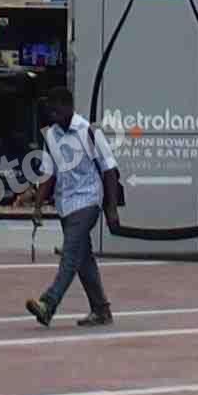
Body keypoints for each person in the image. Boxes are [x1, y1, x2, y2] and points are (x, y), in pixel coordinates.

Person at [23, 98, 119, 329]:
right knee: (83, 260)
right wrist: (37, 206)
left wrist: (112, 209)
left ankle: (48, 304)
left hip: (88, 201)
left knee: (69, 254)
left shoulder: (88, 131)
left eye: (57, 110)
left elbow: (109, 170)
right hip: (65, 205)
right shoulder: (51, 135)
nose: (53, 116)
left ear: (69, 107)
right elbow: (48, 174)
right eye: (51, 112)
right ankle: (101, 310)